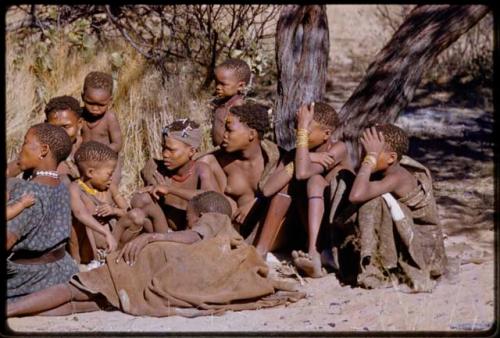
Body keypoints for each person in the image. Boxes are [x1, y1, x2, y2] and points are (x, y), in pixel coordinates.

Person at [7, 191, 304, 318]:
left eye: (190, 217)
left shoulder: (215, 220)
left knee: (78, 288)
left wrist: (155, 236)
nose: (190, 222)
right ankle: (24, 313)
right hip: (166, 285)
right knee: (91, 303)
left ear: (201, 213)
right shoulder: (235, 243)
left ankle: (12, 310)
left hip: (156, 267)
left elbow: (194, 235)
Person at [348, 124, 446, 291]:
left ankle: (376, 267)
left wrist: (369, 158)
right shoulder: (385, 170)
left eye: (369, 154)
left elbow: (355, 196)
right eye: (363, 152)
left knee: (373, 200)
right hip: (403, 235)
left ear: (391, 158)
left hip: (421, 246)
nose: (364, 158)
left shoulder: (397, 177)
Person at [6, 123, 78, 304]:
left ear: (43, 150)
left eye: (25, 143)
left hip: (29, 278)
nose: (20, 150)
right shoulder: (62, 186)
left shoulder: (28, 192)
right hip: (62, 269)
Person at [288, 102, 354, 278]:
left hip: (340, 221)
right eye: (298, 127)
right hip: (316, 224)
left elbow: (302, 172)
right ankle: (315, 252)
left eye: (305, 129)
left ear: (327, 134)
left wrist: (305, 153)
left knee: (315, 181)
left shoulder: (339, 148)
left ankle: (314, 253)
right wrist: (310, 155)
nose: (299, 133)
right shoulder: (302, 152)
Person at [129, 119, 219, 233]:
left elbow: (210, 197)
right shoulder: (157, 169)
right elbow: (139, 201)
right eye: (163, 148)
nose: (165, 154)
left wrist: (170, 189)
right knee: (141, 200)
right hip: (164, 230)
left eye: (171, 150)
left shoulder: (201, 169)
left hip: (194, 233)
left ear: (191, 151)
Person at [216, 102, 280, 243]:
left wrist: (257, 202)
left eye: (230, 130)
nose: (224, 135)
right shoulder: (219, 161)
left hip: (268, 236)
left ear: (251, 134)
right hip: (232, 232)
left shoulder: (276, 161)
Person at [69, 141, 132, 266]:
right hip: (88, 246)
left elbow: (127, 211)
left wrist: (113, 211)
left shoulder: (110, 187)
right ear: (90, 172)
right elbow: (80, 214)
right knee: (83, 217)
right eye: (109, 174)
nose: (111, 178)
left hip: (113, 240)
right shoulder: (75, 188)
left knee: (137, 216)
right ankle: (89, 262)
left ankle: (121, 255)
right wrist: (105, 233)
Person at [196, 58, 251, 192]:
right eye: (216, 82)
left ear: (241, 86)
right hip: (221, 154)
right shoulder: (222, 105)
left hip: (232, 160)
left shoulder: (238, 108)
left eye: (223, 84)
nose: (217, 87)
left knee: (203, 162)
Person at [7, 95, 83, 184]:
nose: (60, 132)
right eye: (54, 127)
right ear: (46, 125)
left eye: (66, 126)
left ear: (80, 123)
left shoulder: (87, 153)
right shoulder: (37, 151)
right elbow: (15, 167)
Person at [80, 71, 123, 186]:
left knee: (111, 183)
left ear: (110, 100)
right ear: (82, 97)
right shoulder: (79, 115)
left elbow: (117, 143)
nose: (95, 108)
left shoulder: (109, 118)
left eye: (101, 105)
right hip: (84, 160)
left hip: (106, 160)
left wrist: (100, 155)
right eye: (90, 103)